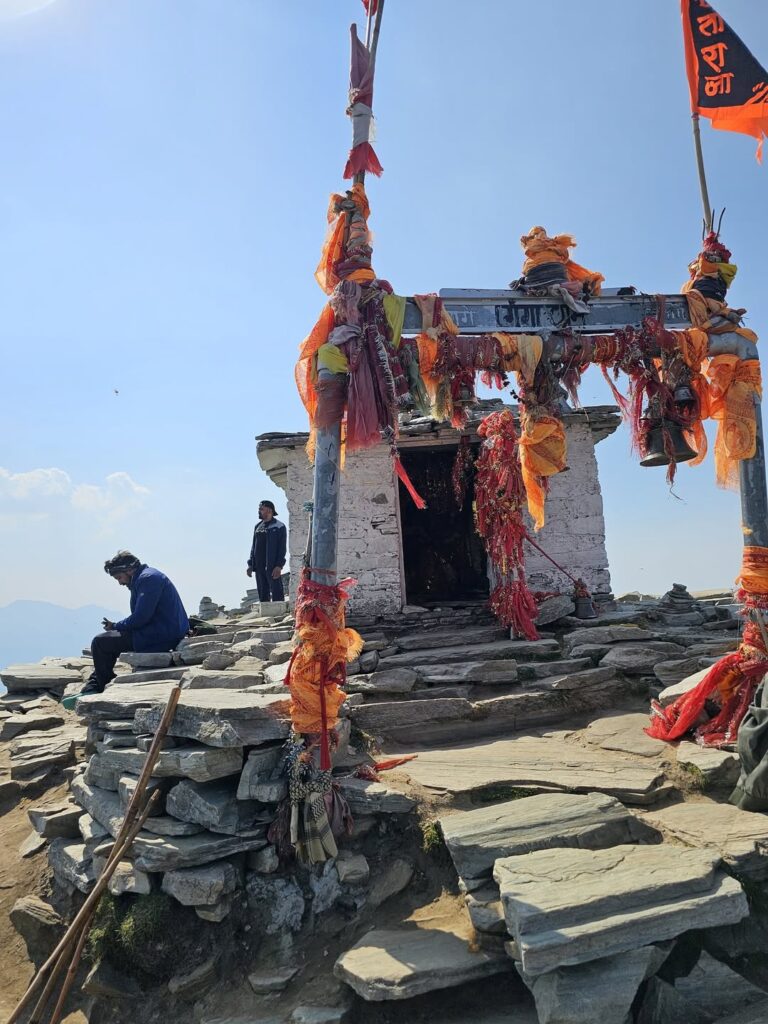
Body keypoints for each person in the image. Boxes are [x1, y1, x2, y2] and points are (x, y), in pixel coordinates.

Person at [80, 551, 189, 696]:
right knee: (109, 639)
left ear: (130, 570)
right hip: (162, 630)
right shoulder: (146, 577)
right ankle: (95, 682)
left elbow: (141, 618)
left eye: (119, 577)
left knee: (100, 642)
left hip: (162, 635)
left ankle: (100, 686)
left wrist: (116, 626)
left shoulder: (148, 579)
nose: (120, 582)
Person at [247, 500, 287, 601]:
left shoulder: (279, 526)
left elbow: (282, 548)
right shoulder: (257, 527)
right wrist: (250, 564)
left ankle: (279, 612)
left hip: (272, 567)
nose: (259, 511)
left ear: (269, 510)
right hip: (259, 567)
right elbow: (253, 546)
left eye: (261, 509)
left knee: (277, 592)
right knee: (262, 593)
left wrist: (279, 566)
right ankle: (266, 613)